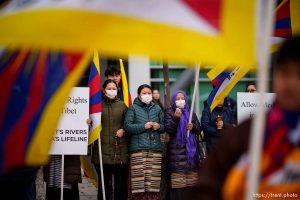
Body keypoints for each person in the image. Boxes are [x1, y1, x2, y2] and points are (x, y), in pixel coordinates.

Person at [192, 36, 300, 199]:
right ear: (275, 75)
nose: (291, 83)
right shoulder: (249, 132)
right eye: (285, 72)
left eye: (299, 74)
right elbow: (207, 185)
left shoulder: (233, 110)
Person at [124, 84, 164, 200]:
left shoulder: (157, 108)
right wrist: (143, 126)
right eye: (144, 93)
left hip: (155, 149)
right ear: (139, 95)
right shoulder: (133, 108)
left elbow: (164, 126)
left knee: (153, 184)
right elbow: (127, 126)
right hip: (138, 150)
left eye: (149, 93)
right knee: (138, 184)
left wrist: (158, 126)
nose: (147, 95)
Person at [91, 79, 128, 200]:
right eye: (109, 88)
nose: (112, 91)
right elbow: (90, 125)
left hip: (119, 150)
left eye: (114, 88)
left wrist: (123, 129)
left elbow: (128, 123)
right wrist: (89, 122)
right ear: (103, 90)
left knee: (120, 184)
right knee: (104, 183)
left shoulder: (122, 105)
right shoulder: (97, 106)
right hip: (102, 150)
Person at [164, 90, 201, 200]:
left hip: (191, 155)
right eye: (178, 98)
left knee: (191, 184)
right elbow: (169, 129)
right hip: (177, 155)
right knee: (178, 185)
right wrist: (176, 118)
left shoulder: (190, 112)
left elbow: (199, 128)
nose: (180, 101)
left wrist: (193, 127)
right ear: (174, 100)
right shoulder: (169, 112)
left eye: (182, 98)